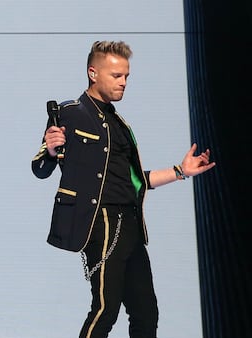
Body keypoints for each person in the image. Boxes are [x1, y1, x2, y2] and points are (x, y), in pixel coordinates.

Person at [31, 40, 216, 338]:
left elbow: (136, 181)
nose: (123, 82)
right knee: (105, 308)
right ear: (93, 73)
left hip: (130, 223)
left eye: (126, 76)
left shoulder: (120, 124)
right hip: (100, 222)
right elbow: (40, 167)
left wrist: (181, 171)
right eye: (116, 75)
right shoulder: (70, 113)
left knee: (146, 312)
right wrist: (51, 151)